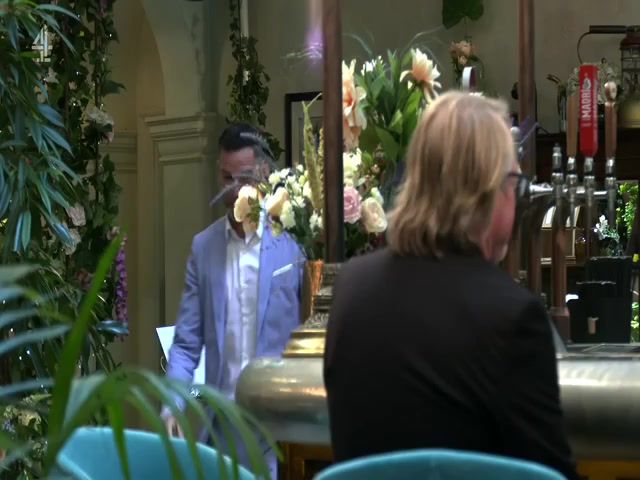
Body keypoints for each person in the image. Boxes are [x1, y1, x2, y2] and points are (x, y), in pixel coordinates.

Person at [323, 92, 578, 480]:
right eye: (514, 182)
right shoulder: (512, 316)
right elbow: (549, 473)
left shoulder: (351, 289)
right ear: (486, 191)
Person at [162, 123, 304, 477]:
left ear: (264, 173)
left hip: (279, 428)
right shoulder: (204, 247)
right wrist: (172, 404)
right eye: (227, 177)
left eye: (243, 178)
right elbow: (186, 344)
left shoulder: (294, 245)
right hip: (221, 427)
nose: (234, 188)